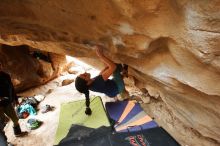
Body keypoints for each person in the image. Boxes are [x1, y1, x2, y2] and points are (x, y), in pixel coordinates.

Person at [75, 45, 128, 115]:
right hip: (118, 87)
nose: (85, 72)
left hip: (111, 92)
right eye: (84, 75)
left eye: (82, 74)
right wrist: (101, 56)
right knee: (117, 67)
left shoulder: (89, 85)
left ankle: (122, 75)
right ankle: (125, 70)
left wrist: (106, 67)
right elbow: (113, 67)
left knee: (110, 69)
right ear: (87, 83)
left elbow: (100, 75)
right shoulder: (97, 83)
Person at [0, 62, 27, 144]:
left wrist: (15, 99)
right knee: (1, 125)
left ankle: (17, 132)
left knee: (15, 119)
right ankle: (4, 142)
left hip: (7, 102)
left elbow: (11, 87)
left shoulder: (5, 75)